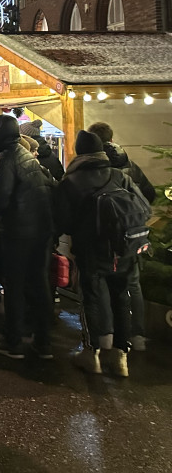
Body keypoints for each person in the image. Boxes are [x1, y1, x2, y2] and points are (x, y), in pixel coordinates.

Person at [57, 131, 149, 377]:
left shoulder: (71, 181)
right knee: (122, 297)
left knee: (92, 299)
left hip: (91, 252)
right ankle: (121, 357)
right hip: (123, 250)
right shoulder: (119, 176)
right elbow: (144, 208)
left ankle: (92, 353)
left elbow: (63, 222)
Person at [0, 114, 56, 359]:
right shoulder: (26, 154)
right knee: (39, 283)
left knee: (14, 286)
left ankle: (13, 340)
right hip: (40, 230)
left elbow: (0, 199)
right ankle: (43, 340)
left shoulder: (5, 159)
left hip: (17, 232)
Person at [88, 120, 155, 350]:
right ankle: (137, 337)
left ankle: (109, 338)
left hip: (105, 240)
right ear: (112, 138)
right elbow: (149, 194)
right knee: (133, 285)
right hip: (132, 236)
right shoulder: (129, 165)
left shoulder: (98, 167)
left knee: (107, 287)